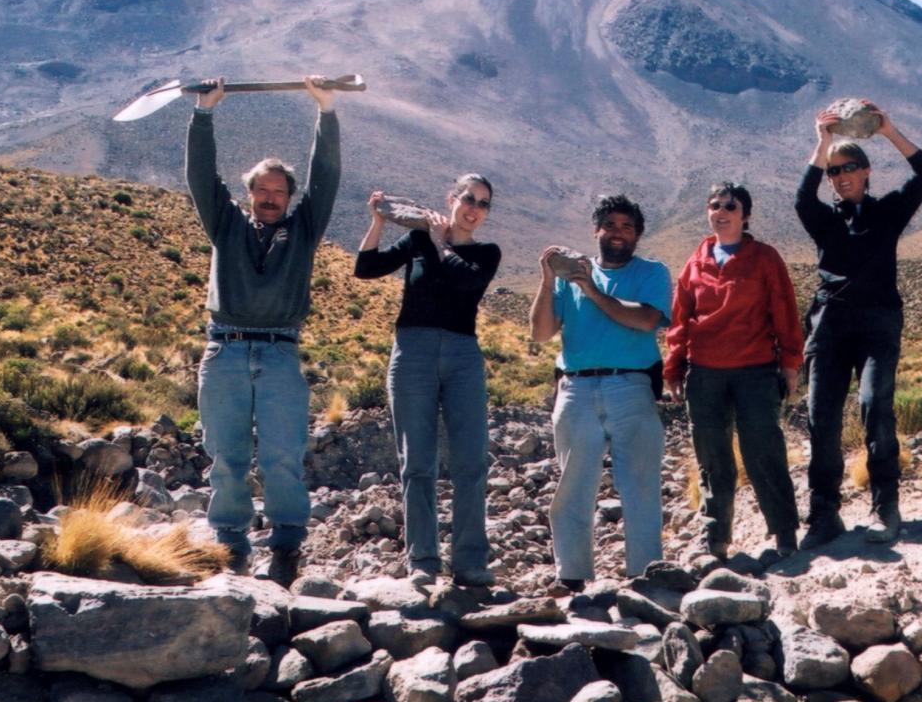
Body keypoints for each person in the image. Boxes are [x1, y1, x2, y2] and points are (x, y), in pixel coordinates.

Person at [186, 75, 343, 588]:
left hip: (279, 353)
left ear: (289, 198)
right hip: (224, 348)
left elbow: (327, 181)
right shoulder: (225, 224)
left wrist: (326, 112)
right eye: (263, 189)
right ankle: (230, 545)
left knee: (281, 455)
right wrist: (204, 114)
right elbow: (200, 177)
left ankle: (286, 546)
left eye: (280, 191)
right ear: (249, 192)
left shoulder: (303, 231)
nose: (271, 198)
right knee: (227, 455)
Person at [794, 101, 922, 547]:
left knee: (875, 408)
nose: (841, 176)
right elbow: (802, 198)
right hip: (831, 325)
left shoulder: (888, 213)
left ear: (867, 170)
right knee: (822, 418)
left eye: (850, 167)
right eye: (834, 172)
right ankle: (823, 513)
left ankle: (885, 507)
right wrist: (824, 143)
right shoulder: (824, 221)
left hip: (877, 324)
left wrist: (889, 129)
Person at [353, 175, 501, 587]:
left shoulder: (486, 253)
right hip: (412, 352)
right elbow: (366, 268)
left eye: (483, 204)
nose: (473, 208)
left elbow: (465, 283)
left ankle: (470, 560)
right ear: (451, 199)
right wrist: (379, 222)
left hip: (462, 356)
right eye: (468, 199)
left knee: (470, 460)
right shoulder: (419, 241)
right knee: (416, 462)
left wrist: (441, 242)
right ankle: (423, 559)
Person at [530, 194, 672, 593]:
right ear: (596, 230)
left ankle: (645, 574)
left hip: (631, 385)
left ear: (638, 235)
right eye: (610, 225)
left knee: (641, 481)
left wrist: (592, 290)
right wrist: (548, 279)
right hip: (575, 386)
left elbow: (645, 320)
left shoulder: (651, 273)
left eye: (627, 227)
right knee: (573, 482)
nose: (617, 233)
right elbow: (541, 332)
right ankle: (572, 575)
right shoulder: (570, 277)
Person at [664, 182, 805, 560]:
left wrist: (790, 364)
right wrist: (674, 367)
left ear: (745, 215)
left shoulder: (764, 258)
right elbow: (681, 319)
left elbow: (785, 313)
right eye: (715, 205)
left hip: (755, 371)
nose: (721, 212)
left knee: (764, 451)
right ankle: (716, 539)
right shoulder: (696, 262)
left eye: (730, 206)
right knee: (712, 457)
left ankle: (785, 535)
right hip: (705, 373)